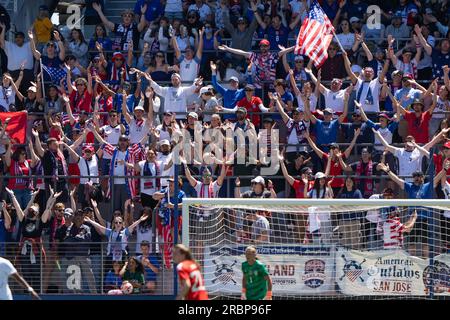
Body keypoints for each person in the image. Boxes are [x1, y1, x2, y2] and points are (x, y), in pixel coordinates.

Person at [377, 163, 442, 258]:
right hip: (412, 220)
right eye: (414, 176)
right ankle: (414, 264)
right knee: (412, 243)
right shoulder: (410, 186)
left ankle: (426, 265)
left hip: (425, 219)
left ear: (422, 177)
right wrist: (388, 171)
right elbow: (397, 180)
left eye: (418, 176)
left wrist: (444, 169)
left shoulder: (427, 186)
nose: (416, 178)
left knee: (425, 244)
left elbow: (437, 178)